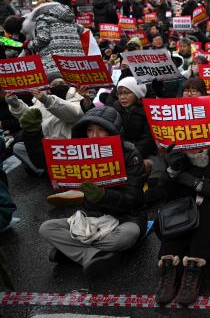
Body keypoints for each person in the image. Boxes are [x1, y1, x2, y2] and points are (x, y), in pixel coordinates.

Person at [151, 78, 210, 306]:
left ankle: (194, 268)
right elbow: (164, 195)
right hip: (184, 216)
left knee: (206, 204)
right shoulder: (176, 153)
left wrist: (198, 184)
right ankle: (168, 267)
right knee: (177, 206)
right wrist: (173, 171)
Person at [39, 106, 146, 276]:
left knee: (128, 236)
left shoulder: (130, 154)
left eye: (101, 130)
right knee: (46, 228)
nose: (94, 136)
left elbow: (133, 199)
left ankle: (71, 251)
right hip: (92, 217)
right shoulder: (80, 154)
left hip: (125, 218)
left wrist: (103, 196)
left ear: (113, 131)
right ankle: (90, 254)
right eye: (90, 130)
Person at [6, 73, 88, 178]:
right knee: (18, 147)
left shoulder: (77, 97)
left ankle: (57, 173)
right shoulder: (40, 102)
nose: (59, 85)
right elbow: (30, 116)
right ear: (49, 88)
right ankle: (45, 172)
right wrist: (16, 104)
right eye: (55, 84)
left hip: (68, 146)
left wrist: (47, 101)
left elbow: (73, 114)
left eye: (62, 83)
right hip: (48, 144)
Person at [4, 1, 85, 75]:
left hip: (55, 61)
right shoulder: (64, 18)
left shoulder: (41, 19)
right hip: (77, 59)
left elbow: (42, 39)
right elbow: (80, 29)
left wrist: (29, 45)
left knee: (57, 83)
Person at [112, 77, 157, 158]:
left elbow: (148, 139)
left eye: (126, 93)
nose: (122, 97)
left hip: (143, 152)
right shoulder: (116, 107)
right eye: (119, 93)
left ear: (137, 93)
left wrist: (134, 154)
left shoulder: (149, 110)